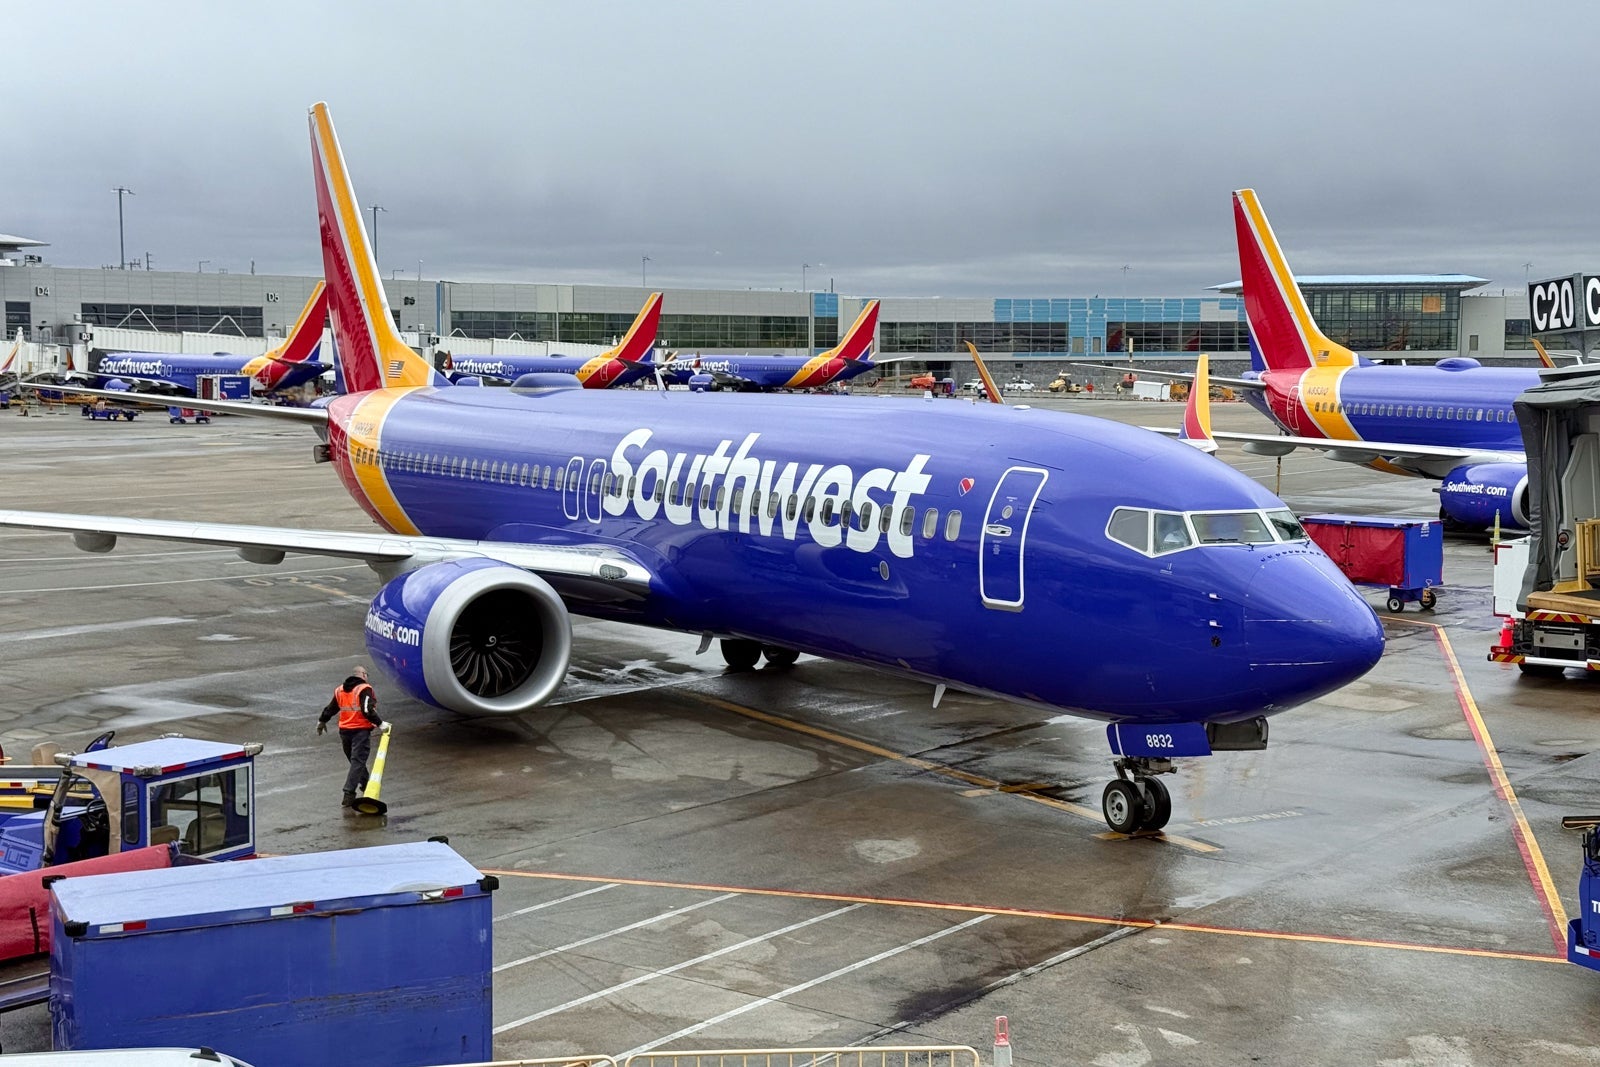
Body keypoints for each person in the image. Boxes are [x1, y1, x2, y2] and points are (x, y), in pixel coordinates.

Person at [317, 665, 386, 808]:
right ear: (363, 675)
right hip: (360, 731)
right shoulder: (364, 689)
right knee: (357, 762)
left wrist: (322, 720)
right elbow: (367, 710)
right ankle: (349, 793)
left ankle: (366, 784)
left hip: (345, 731)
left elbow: (332, 708)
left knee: (355, 761)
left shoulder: (340, 690)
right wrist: (380, 723)